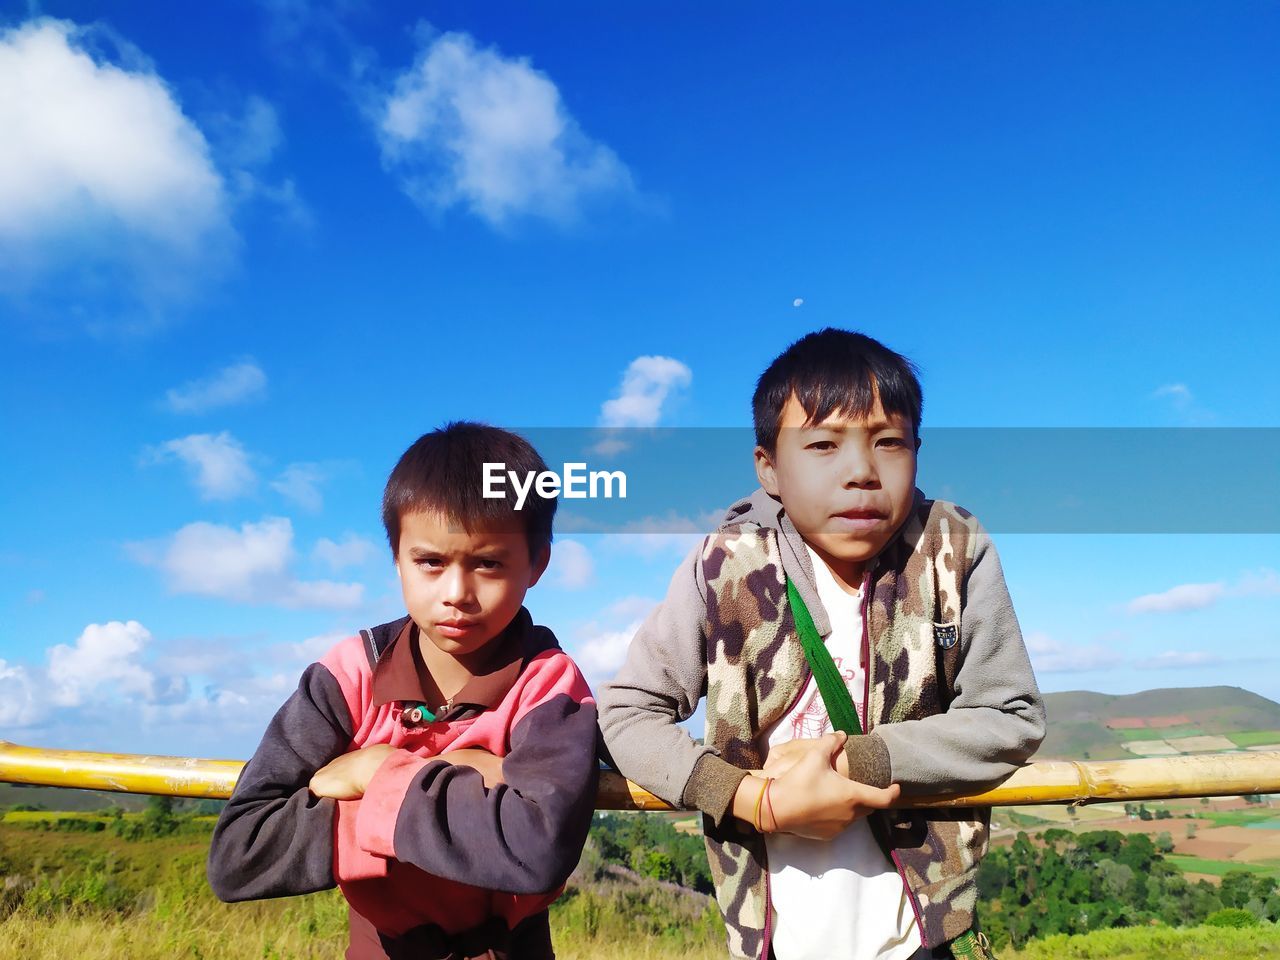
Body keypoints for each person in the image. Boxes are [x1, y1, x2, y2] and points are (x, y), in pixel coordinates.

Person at [598, 329, 1045, 960]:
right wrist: (754, 799)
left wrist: (864, 760)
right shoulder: (723, 568)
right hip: (775, 939)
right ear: (768, 467)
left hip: (921, 935)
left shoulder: (953, 550)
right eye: (823, 445)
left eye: (889, 442)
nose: (862, 472)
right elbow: (626, 713)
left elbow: (1012, 717)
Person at [207, 422, 598, 960]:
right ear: (397, 558)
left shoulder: (549, 685)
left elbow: (538, 845)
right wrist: (477, 778)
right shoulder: (349, 677)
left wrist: (379, 772)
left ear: (537, 563)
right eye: (430, 562)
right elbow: (240, 851)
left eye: (488, 563)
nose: (456, 594)